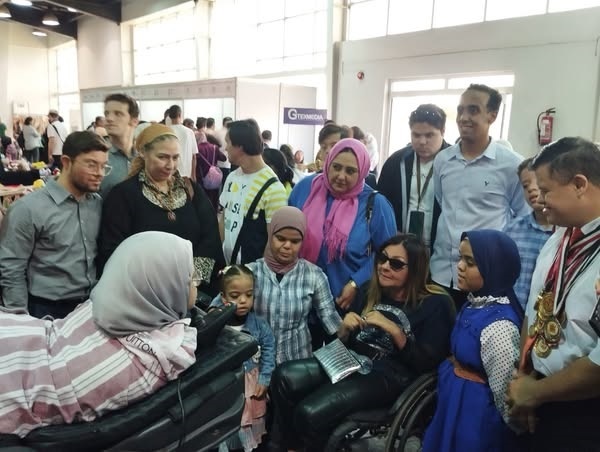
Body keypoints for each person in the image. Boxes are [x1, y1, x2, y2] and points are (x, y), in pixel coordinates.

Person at [0, 231, 198, 437]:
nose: (196, 282)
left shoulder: (109, 304)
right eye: (192, 278)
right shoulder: (163, 351)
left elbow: (206, 248)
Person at [270, 234, 455, 450]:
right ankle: (289, 446)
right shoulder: (369, 290)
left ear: (415, 269)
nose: (384, 267)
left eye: (396, 264)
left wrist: (395, 331)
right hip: (352, 361)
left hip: (391, 375)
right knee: (284, 376)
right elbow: (343, 344)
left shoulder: (436, 304)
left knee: (309, 412)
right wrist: (344, 329)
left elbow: (428, 365)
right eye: (382, 258)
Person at [507, 137, 600, 452]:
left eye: (546, 191)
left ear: (579, 185)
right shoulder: (560, 235)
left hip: (584, 411)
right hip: (539, 391)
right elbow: (536, 311)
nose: (539, 200)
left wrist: (535, 393)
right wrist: (524, 377)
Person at [423, 229, 524, 452]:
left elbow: (504, 392)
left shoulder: (499, 327)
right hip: (455, 401)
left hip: (476, 415)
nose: (460, 266)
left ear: (493, 268)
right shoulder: (474, 304)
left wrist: (514, 428)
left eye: (470, 262)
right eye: (460, 258)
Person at [430, 84, 529, 309]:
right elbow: (442, 203)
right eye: (460, 110)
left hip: (485, 279)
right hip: (442, 274)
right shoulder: (443, 160)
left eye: (473, 110)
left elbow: (523, 217)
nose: (464, 117)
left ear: (492, 115)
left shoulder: (511, 164)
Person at [98, 124, 225, 296]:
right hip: (145, 293)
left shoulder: (190, 190)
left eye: (175, 157)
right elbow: (114, 250)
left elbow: (210, 237)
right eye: (162, 157)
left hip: (193, 291)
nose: (170, 165)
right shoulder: (123, 195)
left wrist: (193, 281)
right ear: (143, 153)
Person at [0, 131, 109, 318]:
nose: (100, 173)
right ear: (66, 162)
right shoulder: (28, 209)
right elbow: (11, 269)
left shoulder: (96, 203)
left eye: (104, 166)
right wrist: (20, 319)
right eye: (91, 165)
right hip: (45, 309)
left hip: (90, 305)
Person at [289, 138, 397, 315]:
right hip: (301, 297)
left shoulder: (376, 204)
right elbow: (287, 231)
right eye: (336, 167)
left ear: (363, 171)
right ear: (328, 163)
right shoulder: (306, 188)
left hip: (347, 302)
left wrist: (356, 283)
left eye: (350, 171)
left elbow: (387, 254)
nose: (341, 176)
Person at [212, 265, 276, 452]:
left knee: (249, 429)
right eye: (235, 295)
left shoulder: (260, 326)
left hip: (251, 385)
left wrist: (264, 379)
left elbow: (269, 352)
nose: (243, 300)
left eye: (249, 295)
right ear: (223, 297)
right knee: (227, 426)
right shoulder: (216, 325)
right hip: (226, 387)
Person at [378, 104, 450, 248]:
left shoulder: (454, 163)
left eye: (429, 135)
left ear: (442, 131)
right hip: (402, 245)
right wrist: (391, 230)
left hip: (441, 247)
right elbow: (381, 203)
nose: (422, 142)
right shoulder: (396, 161)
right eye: (416, 135)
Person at [219, 119, 287, 265]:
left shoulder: (273, 188)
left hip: (252, 272)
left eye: (228, 142)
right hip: (228, 269)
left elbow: (274, 240)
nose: (225, 148)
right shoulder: (232, 177)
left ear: (240, 146)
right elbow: (224, 218)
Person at [504, 158, 553, 309]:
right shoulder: (513, 229)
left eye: (538, 181)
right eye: (525, 185)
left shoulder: (565, 231)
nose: (531, 188)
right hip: (513, 310)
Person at [99, 93, 140, 198]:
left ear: (134, 121)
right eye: (106, 113)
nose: (109, 118)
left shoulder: (143, 157)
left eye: (118, 114)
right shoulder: (99, 157)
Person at [196, 132, 226, 211]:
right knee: (214, 198)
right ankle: (214, 212)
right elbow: (223, 158)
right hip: (214, 177)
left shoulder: (197, 149)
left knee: (203, 199)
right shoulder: (214, 147)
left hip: (201, 178)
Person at [167, 105, 198, 180]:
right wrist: (193, 175)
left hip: (170, 173)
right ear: (180, 115)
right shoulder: (189, 132)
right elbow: (194, 156)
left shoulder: (166, 131)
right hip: (186, 174)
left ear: (169, 116)